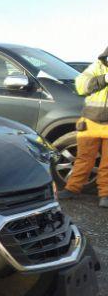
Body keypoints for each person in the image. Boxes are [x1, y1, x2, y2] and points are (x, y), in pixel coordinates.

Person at [59, 46, 108, 207]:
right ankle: (72, 189)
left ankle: (105, 195)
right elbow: (81, 86)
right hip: (90, 122)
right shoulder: (96, 67)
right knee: (83, 158)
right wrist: (104, 79)